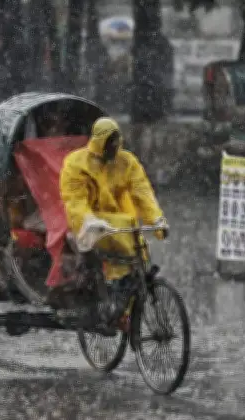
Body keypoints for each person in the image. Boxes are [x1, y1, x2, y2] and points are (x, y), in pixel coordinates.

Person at [57, 117, 168, 315]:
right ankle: (118, 290)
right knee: (122, 233)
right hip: (87, 223)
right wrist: (89, 220)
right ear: (101, 143)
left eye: (117, 143)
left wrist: (157, 220)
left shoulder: (126, 162)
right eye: (110, 144)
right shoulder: (76, 164)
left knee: (133, 237)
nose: (114, 149)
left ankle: (127, 293)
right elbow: (75, 201)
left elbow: (142, 192)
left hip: (117, 221)